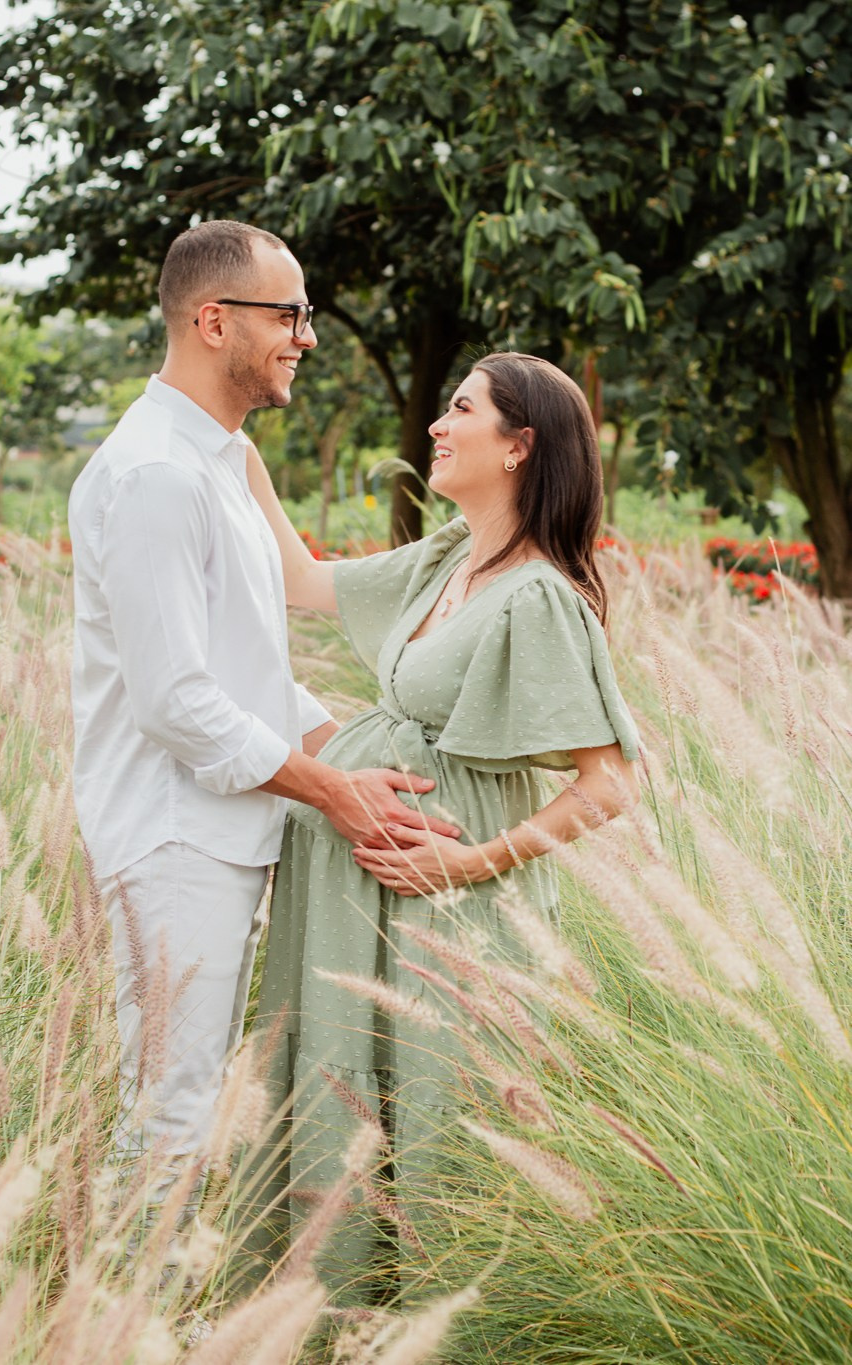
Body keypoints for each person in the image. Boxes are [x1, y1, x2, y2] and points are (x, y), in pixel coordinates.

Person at [68, 220, 459, 1230]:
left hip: (223, 829)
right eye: (287, 314)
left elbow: (243, 666)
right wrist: (336, 792)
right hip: (173, 836)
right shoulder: (158, 475)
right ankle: (125, 1325)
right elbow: (173, 698)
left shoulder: (221, 461)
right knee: (173, 1116)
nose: (307, 336)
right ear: (212, 321)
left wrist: (351, 752)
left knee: (187, 1109)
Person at [241, 351, 641, 1297]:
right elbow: (298, 577)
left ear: (519, 445)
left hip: (443, 921)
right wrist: (224, 433)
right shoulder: (444, 558)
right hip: (353, 907)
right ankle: (330, 1321)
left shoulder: (538, 593)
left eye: (461, 409)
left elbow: (609, 784)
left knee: (433, 1109)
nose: (436, 424)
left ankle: (440, 1326)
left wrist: (469, 866)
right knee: (342, 1095)